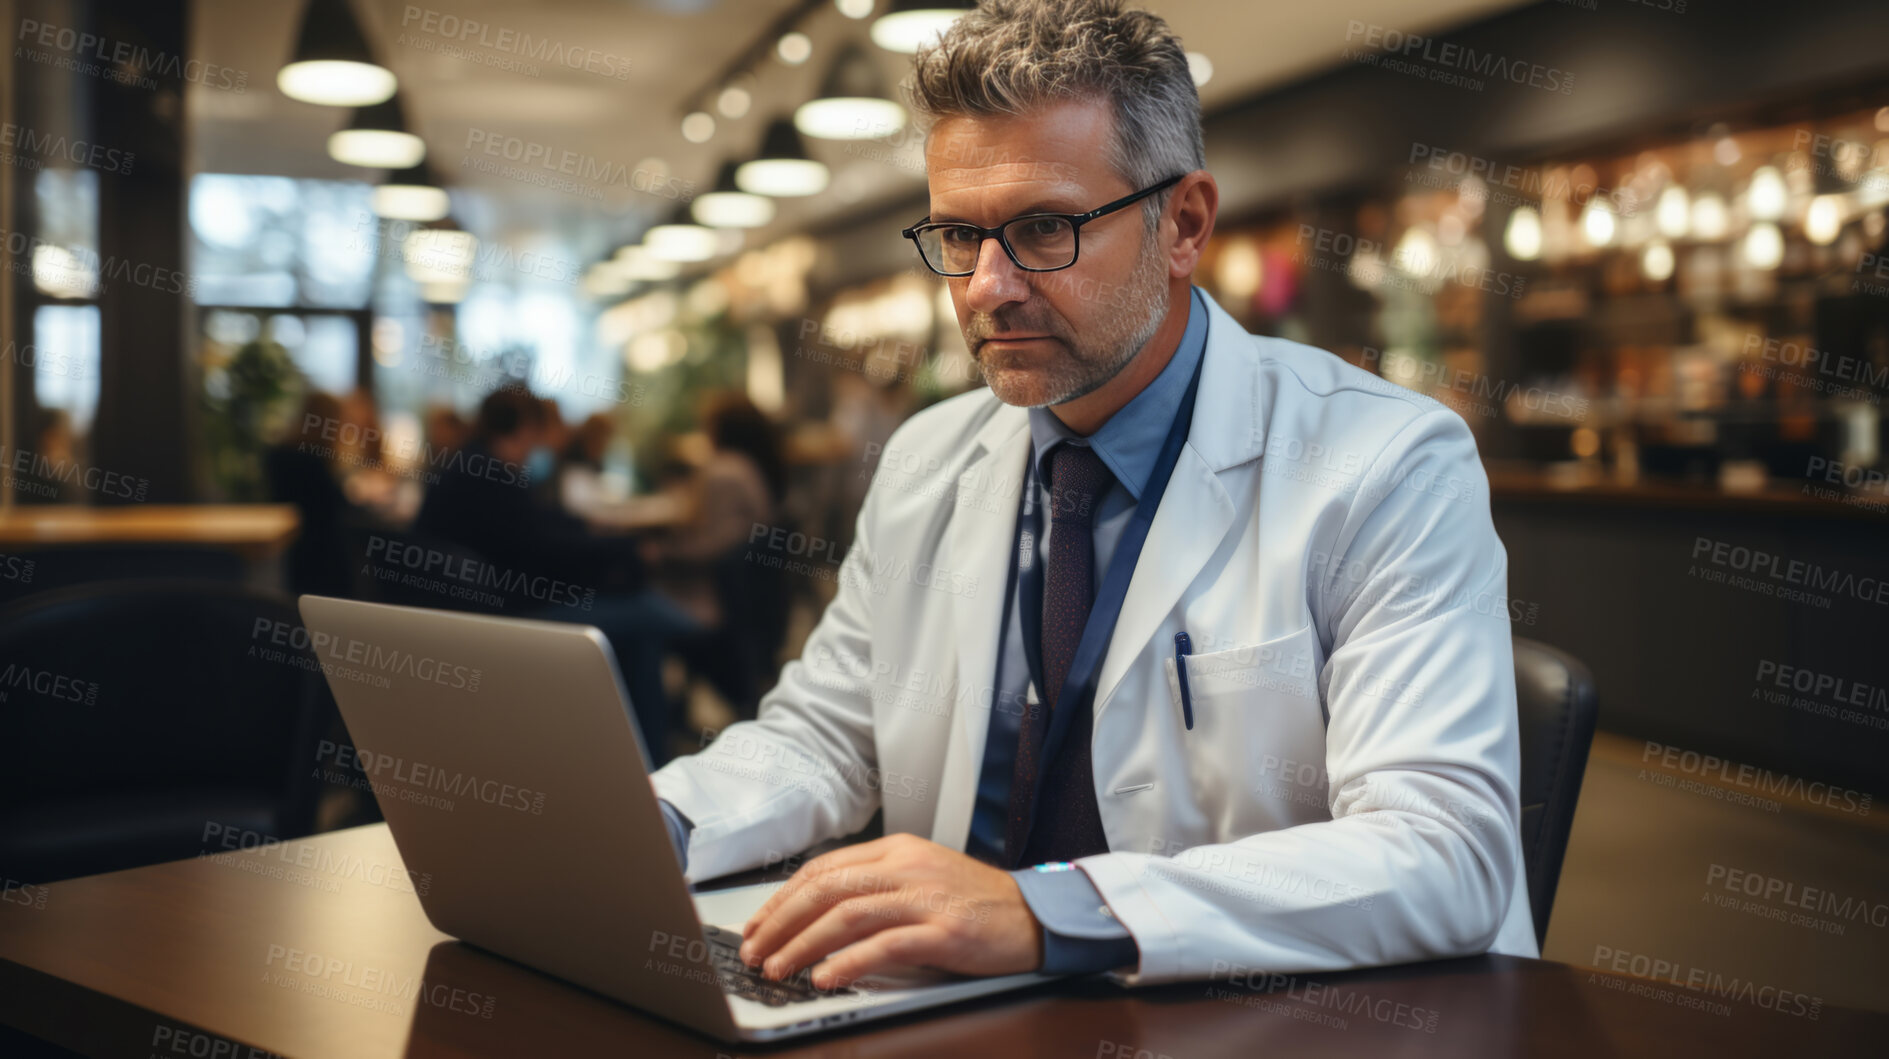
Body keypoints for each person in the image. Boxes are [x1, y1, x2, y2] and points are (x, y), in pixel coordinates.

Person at [650, 0, 1536, 992]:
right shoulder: (925, 459)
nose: (986, 287)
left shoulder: (1384, 463)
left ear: (1182, 224)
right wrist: (657, 827)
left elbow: (1442, 851)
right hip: (955, 1007)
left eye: (1041, 229)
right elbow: (824, 738)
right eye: (956, 234)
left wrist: (1044, 912)